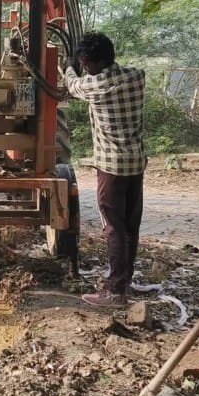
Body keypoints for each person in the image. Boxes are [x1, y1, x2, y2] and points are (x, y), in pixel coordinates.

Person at [65, 32, 146, 307]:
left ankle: (114, 292)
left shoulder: (95, 84)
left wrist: (68, 67)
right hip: (135, 163)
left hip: (111, 167)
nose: (84, 68)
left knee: (113, 228)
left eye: (86, 63)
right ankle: (125, 282)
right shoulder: (136, 77)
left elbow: (71, 85)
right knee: (130, 227)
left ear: (96, 62)